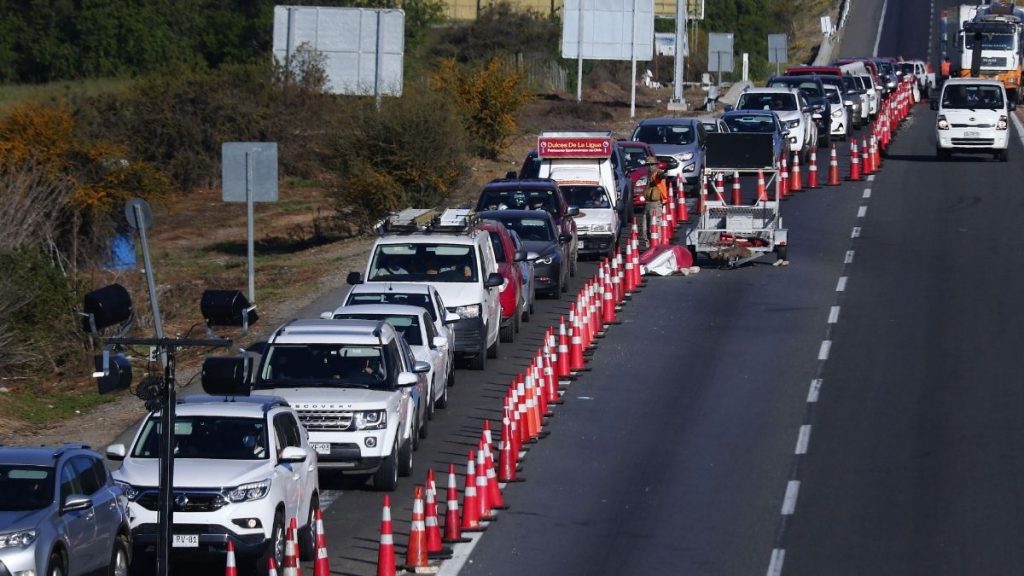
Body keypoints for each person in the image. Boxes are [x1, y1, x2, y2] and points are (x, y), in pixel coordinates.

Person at [638, 156, 669, 249]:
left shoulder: (657, 173)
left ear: (655, 165)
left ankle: (656, 246)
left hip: (656, 204)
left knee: (654, 226)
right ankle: (648, 247)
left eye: (651, 165)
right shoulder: (649, 175)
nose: (650, 167)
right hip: (648, 204)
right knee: (645, 228)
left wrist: (664, 173)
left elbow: (662, 174)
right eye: (648, 165)